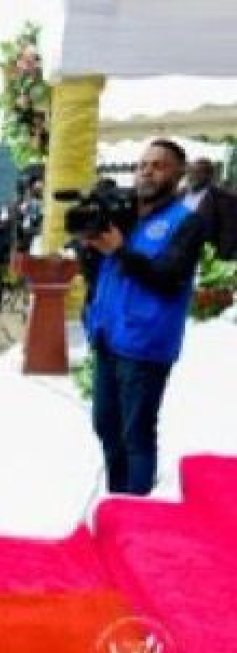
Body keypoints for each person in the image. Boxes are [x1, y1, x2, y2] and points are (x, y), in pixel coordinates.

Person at [79, 139, 206, 495]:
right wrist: (89, 246)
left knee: (135, 432)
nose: (147, 171)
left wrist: (120, 250)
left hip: (145, 343)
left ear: (178, 173)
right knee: (106, 424)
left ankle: (138, 514)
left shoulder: (187, 223)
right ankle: (118, 500)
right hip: (108, 334)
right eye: (142, 165)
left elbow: (168, 278)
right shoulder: (122, 216)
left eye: (158, 165)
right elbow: (97, 273)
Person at [183, 157, 237, 260]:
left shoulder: (224, 199)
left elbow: (229, 233)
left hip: (204, 257)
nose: (191, 176)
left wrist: (220, 260)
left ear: (209, 176)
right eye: (189, 171)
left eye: (197, 172)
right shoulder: (179, 195)